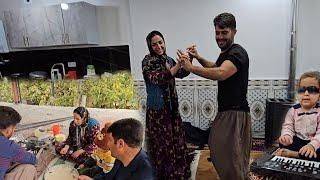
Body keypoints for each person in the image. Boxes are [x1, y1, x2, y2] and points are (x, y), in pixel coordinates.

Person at [178, 12, 251, 180]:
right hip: (227, 113)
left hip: (235, 114)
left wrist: (191, 68)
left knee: (231, 158)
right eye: (217, 33)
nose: (220, 37)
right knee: (223, 152)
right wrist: (198, 57)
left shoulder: (237, 52)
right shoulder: (227, 53)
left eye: (224, 33)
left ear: (234, 32)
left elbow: (221, 73)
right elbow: (215, 66)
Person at [142, 30, 193, 179]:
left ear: (164, 42)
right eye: (154, 44)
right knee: (162, 145)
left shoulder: (168, 59)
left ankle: (178, 172)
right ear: (150, 46)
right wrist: (177, 65)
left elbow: (182, 73)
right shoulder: (147, 61)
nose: (158, 46)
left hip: (171, 109)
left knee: (176, 140)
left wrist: (188, 59)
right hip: (157, 112)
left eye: (160, 42)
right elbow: (158, 78)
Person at [78, 118, 154, 180]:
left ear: (120, 144)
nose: (107, 144)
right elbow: (107, 178)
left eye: (110, 140)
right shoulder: (120, 157)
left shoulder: (146, 174)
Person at [277, 71, 320, 161]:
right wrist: (286, 136)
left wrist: (312, 145)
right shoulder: (293, 110)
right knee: (283, 143)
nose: (306, 93)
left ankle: (296, 154)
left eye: (312, 90)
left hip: (314, 142)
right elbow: (288, 126)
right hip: (299, 141)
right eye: (302, 90)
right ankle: (301, 154)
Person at [0, 106, 37, 180]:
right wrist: (18, 152)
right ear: (8, 129)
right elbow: (33, 160)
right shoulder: (8, 146)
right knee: (30, 169)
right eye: (14, 128)